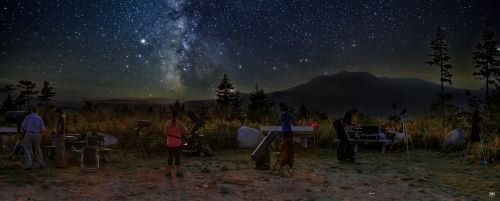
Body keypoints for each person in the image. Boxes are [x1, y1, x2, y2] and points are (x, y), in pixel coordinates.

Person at [164, 109, 188, 178]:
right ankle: (178, 173)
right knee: (177, 157)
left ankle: (168, 173)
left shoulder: (167, 123)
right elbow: (185, 132)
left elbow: (165, 133)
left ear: (171, 115)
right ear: (177, 115)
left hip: (169, 143)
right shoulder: (180, 123)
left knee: (170, 157)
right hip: (177, 143)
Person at [279, 103, 294, 169]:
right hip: (289, 130)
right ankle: (289, 156)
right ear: (287, 109)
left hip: (284, 130)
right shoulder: (289, 114)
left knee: (284, 142)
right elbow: (292, 118)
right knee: (290, 143)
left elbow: (281, 120)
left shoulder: (281, 114)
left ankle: (284, 154)